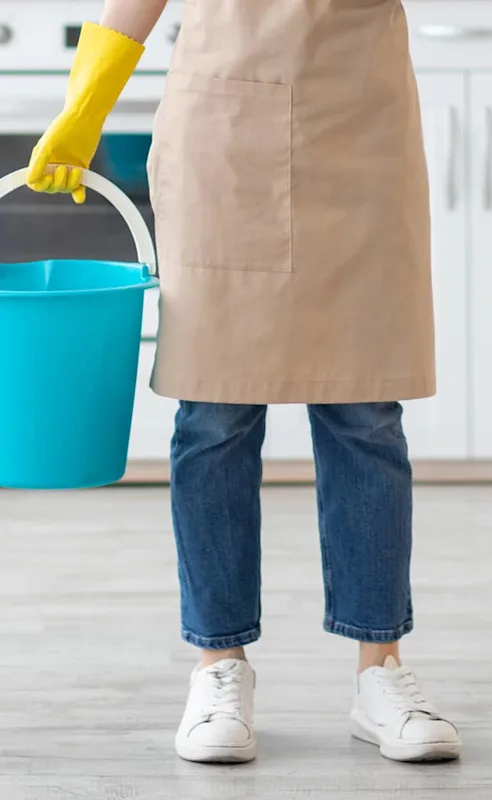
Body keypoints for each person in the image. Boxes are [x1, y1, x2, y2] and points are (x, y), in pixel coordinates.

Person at [28, 0, 461, 765]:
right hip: (225, 131)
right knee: (215, 413)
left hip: (360, 125)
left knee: (364, 409)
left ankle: (380, 673)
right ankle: (218, 666)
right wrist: (85, 103)